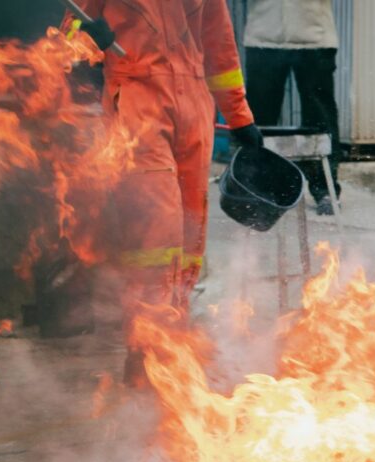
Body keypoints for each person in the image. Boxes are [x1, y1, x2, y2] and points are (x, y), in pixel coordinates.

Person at [66, 1, 263, 387]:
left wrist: (239, 117)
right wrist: (90, 38)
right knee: (158, 231)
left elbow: (218, 44)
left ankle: (173, 344)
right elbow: (70, 28)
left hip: (194, 107)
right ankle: (147, 355)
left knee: (190, 237)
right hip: (138, 99)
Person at [243, 0, 342, 216]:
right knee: (259, 119)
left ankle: (324, 189)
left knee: (320, 120)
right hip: (263, 36)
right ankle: (258, 187)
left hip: (314, 37)